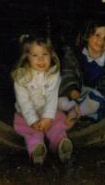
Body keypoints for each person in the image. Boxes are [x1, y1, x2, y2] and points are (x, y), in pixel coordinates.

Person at [11, 33, 73, 165]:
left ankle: (60, 143)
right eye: (35, 55)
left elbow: (52, 97)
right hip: (27, 113)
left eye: (45, 54)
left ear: (51, 55)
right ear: (27, 56)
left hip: (47, 109)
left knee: (56, 124)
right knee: (30, 129)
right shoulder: (21, 77)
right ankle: (37, 149)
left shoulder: (53, 74)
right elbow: (24, 102)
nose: (41, 60)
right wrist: (33, 120)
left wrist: (48, 117)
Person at [58, 18, 105, 126]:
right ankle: (70, 110)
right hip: (78, 93)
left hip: (97, 97)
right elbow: (68, 72)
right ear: (87, 36)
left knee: (94, 102)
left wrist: (100, 96)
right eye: (97, 35)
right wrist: (72, 90)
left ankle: (75, 114)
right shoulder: (76, 54)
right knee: (61, 101)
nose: (101, 41)